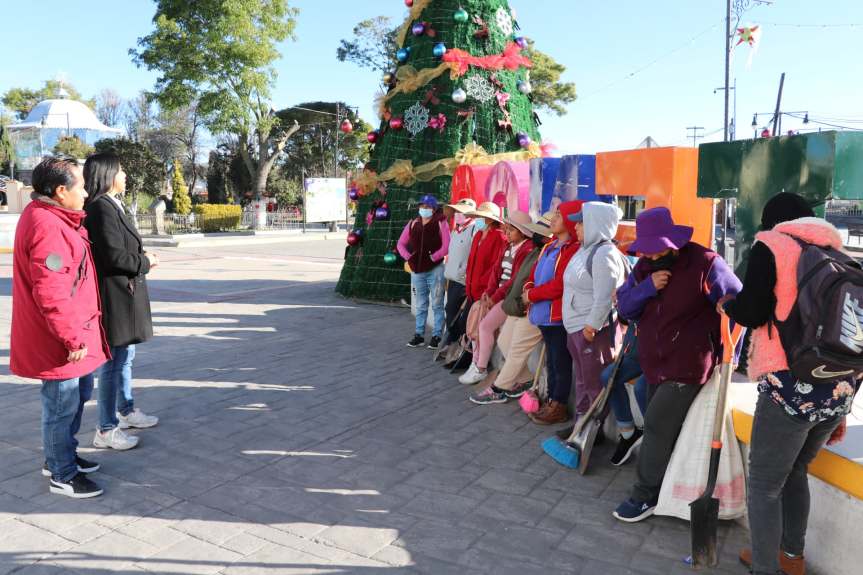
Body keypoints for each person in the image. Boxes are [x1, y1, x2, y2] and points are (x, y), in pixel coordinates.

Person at [721, 193, 860, 575]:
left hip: (790, 387)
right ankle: (791, 558)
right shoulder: (840, 253)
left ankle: (765, 567)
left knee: (765, 484)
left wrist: (728, 306)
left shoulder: (773, 244)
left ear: (773, 221)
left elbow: (751, 311)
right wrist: (842, 408)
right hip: (838, 389)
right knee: (795, 471)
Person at [612, 207, 741, 523]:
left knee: (655, 426)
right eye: (648, 251)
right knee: (664, 427)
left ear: (673, 242)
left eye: (658, 249)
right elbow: (625, 306)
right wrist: (647, 287)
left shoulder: (706, 263)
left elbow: (738, 307)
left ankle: (645, 495)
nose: (652, 256)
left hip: (689, 364)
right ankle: (670, 487)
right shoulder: (644, 268)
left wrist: (731, 357)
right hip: (653, 363)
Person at [10, 157, 109, 498]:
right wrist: (71, 337)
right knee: (61, 405)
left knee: (76, 397)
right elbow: (51, 290)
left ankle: (61, 456)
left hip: (72, 332)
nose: (85, 192)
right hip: (62, 339)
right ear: (61, 190)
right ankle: (61, 474)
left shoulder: (53, 218)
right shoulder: (47, 225)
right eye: (80, 186)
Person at [83, 153, 159, 451]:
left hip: (125, 294)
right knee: (113, 364)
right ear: (107, 174)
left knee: (125, 358)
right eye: (121, 170)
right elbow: (113, 256)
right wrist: (145, 261)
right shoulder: (100, 208)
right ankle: (105, 427)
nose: (125, 175)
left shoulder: (114, 204)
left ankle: (125, 411)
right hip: (114, 296)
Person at [470, 222, 552, 404]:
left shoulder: (545, 252)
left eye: (540, 232)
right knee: (504, 341)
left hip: (533, 307)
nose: (535, 234)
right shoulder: (536, 252)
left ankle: (499, 388)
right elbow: (518, 278)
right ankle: (525, 379)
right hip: (517, 304)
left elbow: (549, 284)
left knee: (515, 350)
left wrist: (528, 295)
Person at [562, 202, 627, 420]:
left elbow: (604, 296)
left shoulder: (604, 254)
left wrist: (592, 326)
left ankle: (592, 432)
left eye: (581, 222)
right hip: (577, 328)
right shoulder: (585, 249)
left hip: (591, 332)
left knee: (593, 385)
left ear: (595, 224)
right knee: (582, 381)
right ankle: (581, 424)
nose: (576, 227)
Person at [522, 201, 583, 425]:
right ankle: (551, 401)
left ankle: (558, 405)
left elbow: (560, 285)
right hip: (541, 314)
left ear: (569, 221)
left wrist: (533, 295)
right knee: (551, 360)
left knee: (560, 361)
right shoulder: (549, 246)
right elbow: (534, 274)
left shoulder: (573, 250)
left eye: (559, 214)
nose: (554, 218)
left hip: (557, 316)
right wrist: (528, 289)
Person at [460, 211, 536, 385]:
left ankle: (480, 368)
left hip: (509, 298)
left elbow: (515, 280)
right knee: (483, 328)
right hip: (498, 296)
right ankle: (479, 364)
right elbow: (496, 271)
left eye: (511, 230)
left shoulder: (527, 249)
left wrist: (495, 297)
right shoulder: (508, 246)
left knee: (485, 327)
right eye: (507, 229)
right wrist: (489, 291)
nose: (507, 233)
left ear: (522, 231)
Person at [397, 194, 450, 349]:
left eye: (427, 207)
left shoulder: (441, 223)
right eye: (422, 206)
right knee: (421, 304)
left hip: (436, 270)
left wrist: (434, 258)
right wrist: (409, 258)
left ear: (434, 209)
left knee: (437, 303)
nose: (424, 209)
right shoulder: (413, 223)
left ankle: (436, 335)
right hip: (417, 270)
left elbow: (447, 245)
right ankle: (419, 335)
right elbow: (401, 244)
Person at [442, 198, 476, 347]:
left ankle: (456, 340)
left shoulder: (474, 230)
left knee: (452, 311)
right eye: (457, 211)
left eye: (461, 211)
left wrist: (465, 274)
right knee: (450, 311)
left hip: (463, 281)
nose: (458, 214)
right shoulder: (456, 231)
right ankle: (453, 340)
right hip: (452, 278)